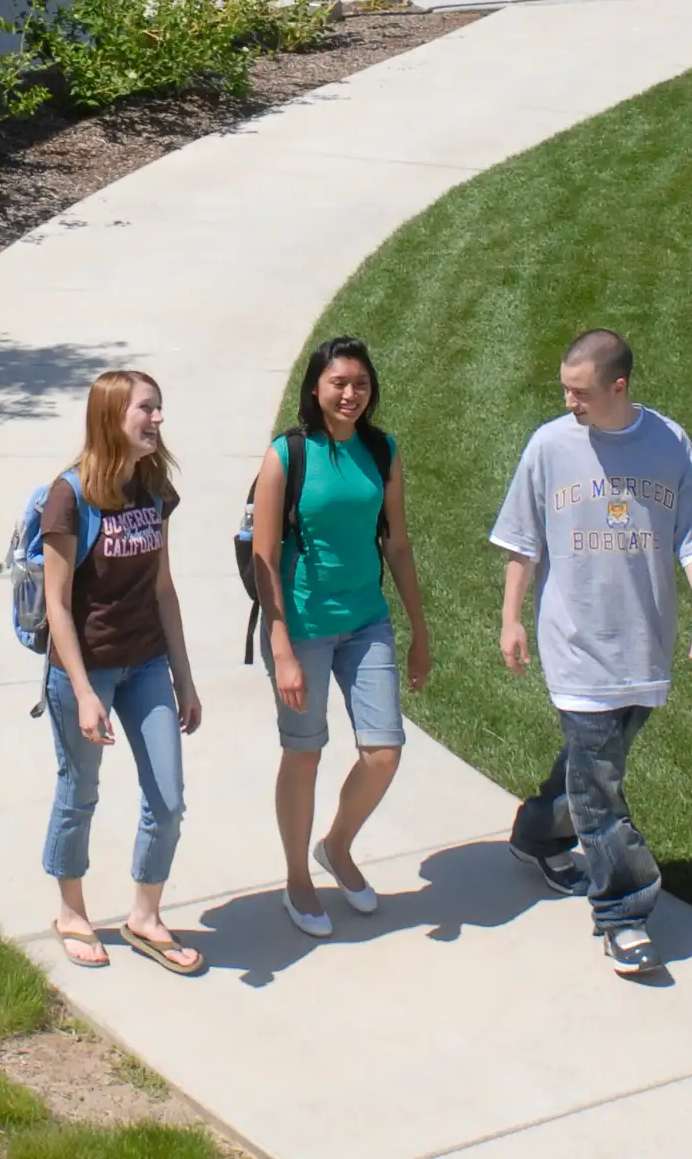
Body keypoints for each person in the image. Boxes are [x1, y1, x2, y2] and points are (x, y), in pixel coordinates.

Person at [491, 329, 692, 978]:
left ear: (618, 387)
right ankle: (623, 912)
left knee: (593, 773)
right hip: (574, 647)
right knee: (600, 788)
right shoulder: (549, 447)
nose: (570, 403)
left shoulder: (669, 444)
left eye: (581, 392)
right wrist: (511, 619)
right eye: (565, 389)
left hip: (643, 648)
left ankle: (537, 831)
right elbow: (521, 542)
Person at [251, 337, 430, 938]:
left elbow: (397, 543)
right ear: (315, 388)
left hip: (366, 619)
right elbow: (264, 557)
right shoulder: (287, 454)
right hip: (301, 625)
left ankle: (338, 846)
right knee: (304, 754)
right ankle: (298, 878)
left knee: (383, 752)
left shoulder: (382, 450)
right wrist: (280, 649)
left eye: (360, 382)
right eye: (338, 383)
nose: (350, 394)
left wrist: (419, 632)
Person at [40, 370, 203, 975]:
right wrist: (84, 693)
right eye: (147, 410)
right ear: (113, 416)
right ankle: (71, 910)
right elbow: (57, 604)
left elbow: (163, 589)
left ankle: (145, 915)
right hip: (84, 670)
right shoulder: (70, 496)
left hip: (148, 663)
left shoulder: (154, 489)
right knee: (80, 791)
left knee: (168, 798)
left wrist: (184, 679)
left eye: (159, 409)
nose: (158, 420)